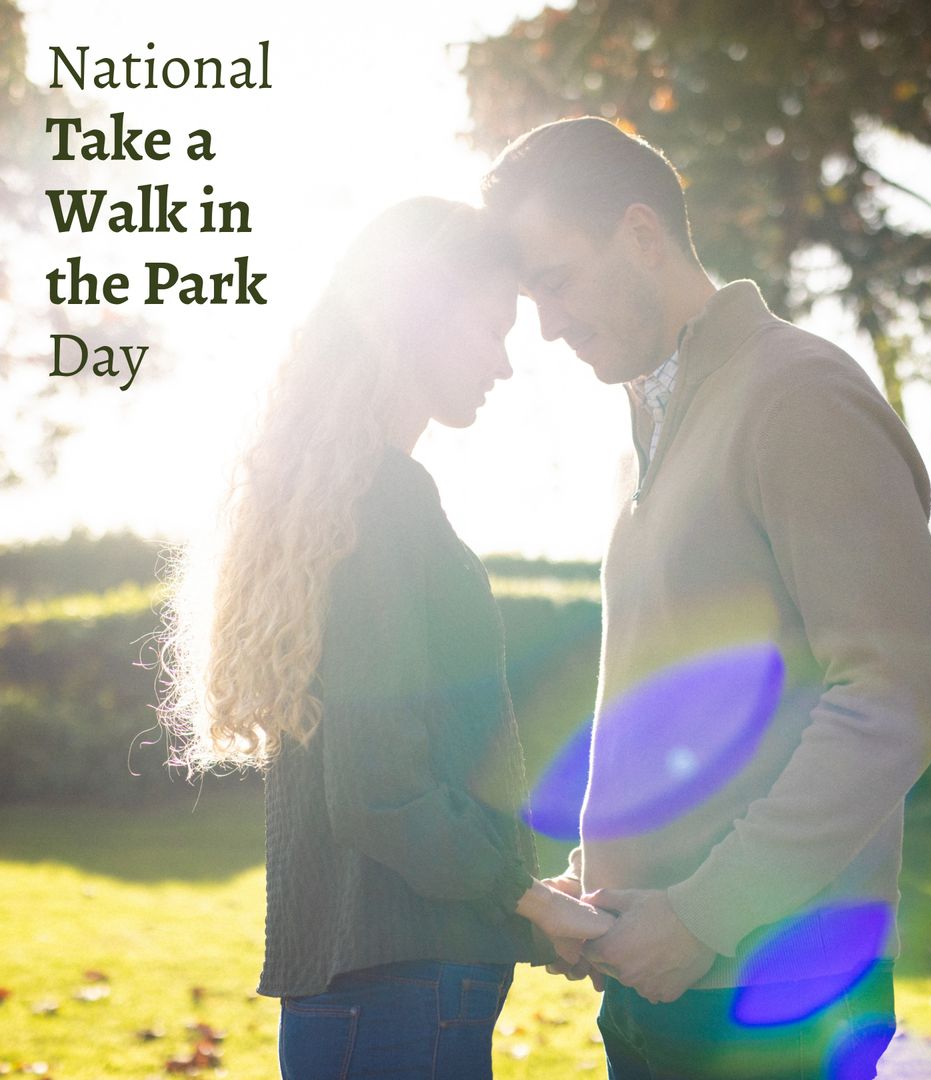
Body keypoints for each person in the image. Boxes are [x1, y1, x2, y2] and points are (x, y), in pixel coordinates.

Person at [481, 118, 931, 1079]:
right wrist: (609, 878)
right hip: (663, 982)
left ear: (643, 237)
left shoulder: (800, 398)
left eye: (557, 280)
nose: (548, 326)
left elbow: (892, 697)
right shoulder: (657, 427)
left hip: (772, 1000)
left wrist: (704, 913)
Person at [157, 196, 613, 1080]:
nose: (506, 364)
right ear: (415, 321)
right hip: (401, 996)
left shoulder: (339, 502)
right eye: (491, 329)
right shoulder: (384, 503)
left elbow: (392, 776)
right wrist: (517, 893)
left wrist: (518, 898)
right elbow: (378, 790)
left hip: (372, 990)